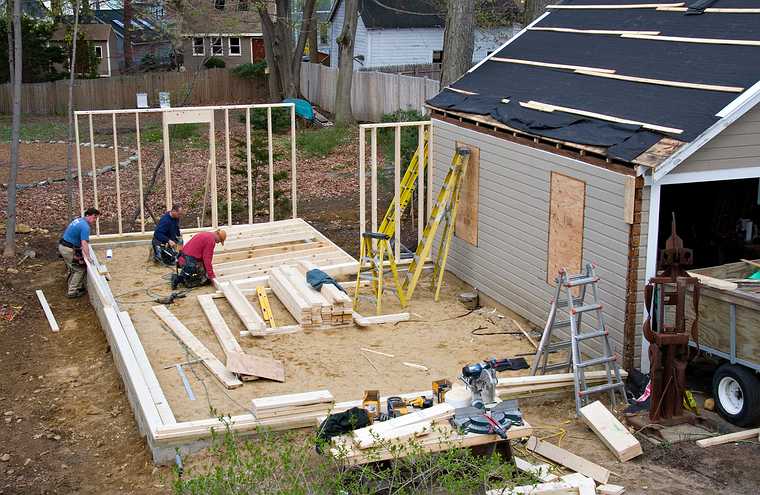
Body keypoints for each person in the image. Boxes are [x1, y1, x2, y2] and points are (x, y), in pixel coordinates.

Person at [58, 208, 101, 298]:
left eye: (96, 218)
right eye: (94, 217)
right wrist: (88, 257)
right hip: (67, 249)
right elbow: (84, 243)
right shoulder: (85, 226)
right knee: (79, 269)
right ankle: (72, 291)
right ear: (88, 215)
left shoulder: (79, 220)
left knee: (74, 267)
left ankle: (77, 286)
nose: (94, 220)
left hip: (64, 246)